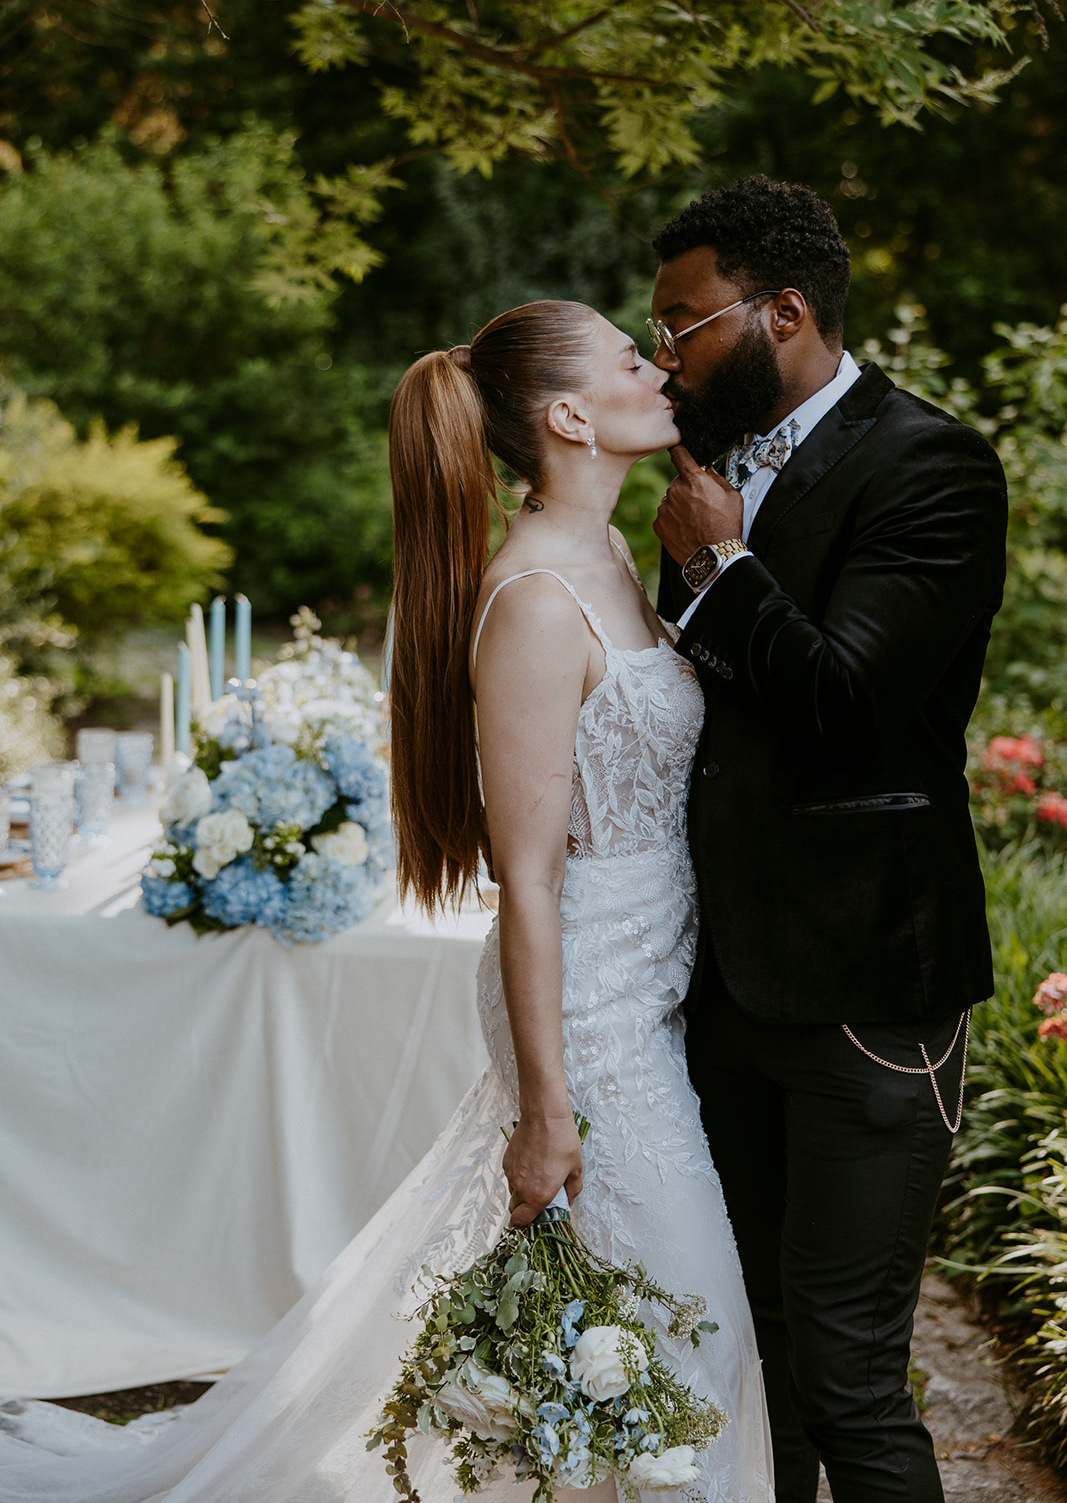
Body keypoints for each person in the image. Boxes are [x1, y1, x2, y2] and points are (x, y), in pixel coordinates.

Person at [0, 300, 773, 1503]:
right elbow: (527, 881)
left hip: (648, 993)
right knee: (678, 1331)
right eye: (630, 357)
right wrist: (547, 1112)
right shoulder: (529, 605)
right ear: (569, 414)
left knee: (660, 1346)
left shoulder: (613, 555)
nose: (657, 366)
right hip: (591, 1023)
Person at [649, 175, 1008, 1503]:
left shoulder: (928, 463)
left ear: (781, 310)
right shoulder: (699, 470)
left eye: (680, 323)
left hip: (866, 993)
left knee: (848, 1373)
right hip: (721, 986)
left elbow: (850, 703)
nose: (661, 353)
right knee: (759, 1355)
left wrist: (719, 569)